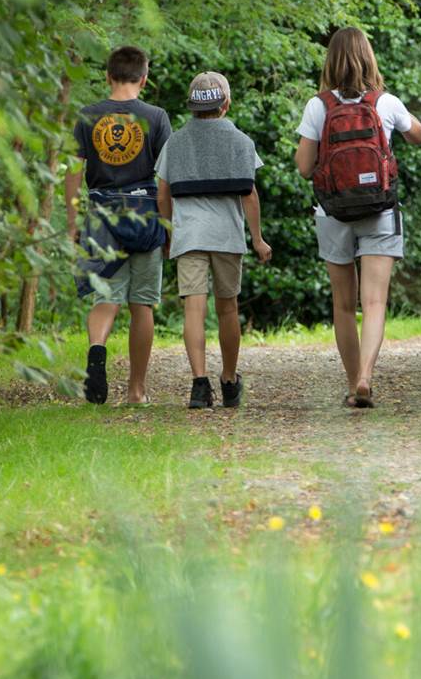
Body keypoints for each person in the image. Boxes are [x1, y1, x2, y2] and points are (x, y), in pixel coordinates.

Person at [295, 27, 421, 408]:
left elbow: (304, 167)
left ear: (330, 61)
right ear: (369, 58)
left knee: (343, 305)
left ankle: (354, 384)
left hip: (333, 212)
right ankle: (368, 375)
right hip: (379, 209)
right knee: (374, 303)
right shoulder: (384, 102)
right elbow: (419, 134)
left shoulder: (317, 106)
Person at [156, 71, 272, 409]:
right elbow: (249, 195)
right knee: (227, 307)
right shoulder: (241, 141)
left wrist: (168, 230)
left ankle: (199, 383)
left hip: (189, 234)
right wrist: (258, 239)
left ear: (192, 107)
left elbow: (163, 193)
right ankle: (229, 380)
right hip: (227, 235)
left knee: (194, 306)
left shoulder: (175, 142)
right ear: (226, 104)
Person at [65, 46, 172, 405]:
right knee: (142, 304)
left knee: (105, 296)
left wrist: (72, 219)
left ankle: (97, 350)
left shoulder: (88, 116)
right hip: (145, 211)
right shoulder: (156, 117)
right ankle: (136, 391)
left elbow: (73, 170)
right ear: (144, 78)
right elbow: (168, 177)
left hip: (100, 211)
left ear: (108, 76)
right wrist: (169, 224)